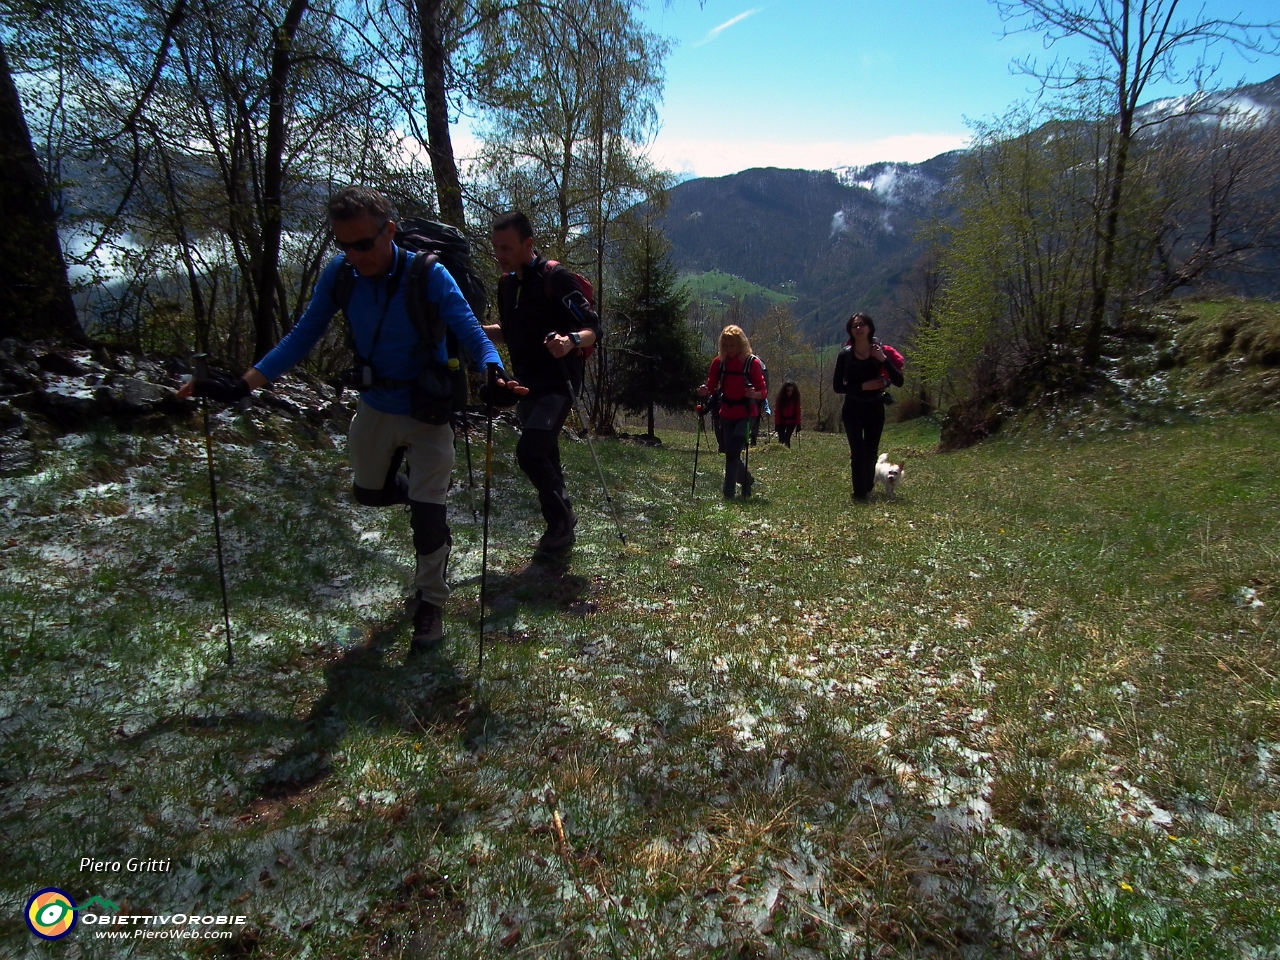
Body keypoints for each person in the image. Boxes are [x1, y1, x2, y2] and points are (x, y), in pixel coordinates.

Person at [179, 186, 524, 651]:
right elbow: (301, 337)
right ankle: (428, 512)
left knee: (427, 513)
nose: (355, 255)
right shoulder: (341, 276)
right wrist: (243, 385)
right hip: (376, 406)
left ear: (390, 232)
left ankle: (430, 600)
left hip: (428, 410)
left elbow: (469, 331)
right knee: (369, 492)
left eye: (363, 243)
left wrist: (494, 373)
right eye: (344, 245)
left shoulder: (429, 275)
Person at [483, 211, 601, 554]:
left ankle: (561, 521)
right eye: (496, 248)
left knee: (531, 451)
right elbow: (511, 333)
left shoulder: (556, 278)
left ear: (528, 244)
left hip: (558, 383)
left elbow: (595, 329)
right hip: (526, 383)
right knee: (545, 453)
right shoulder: (507, 285)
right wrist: (476, 332)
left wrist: (570, 341)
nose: (499, 255)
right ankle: (561, 526)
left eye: (506, 248)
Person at [832, 312, 903, 501]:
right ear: (850, 330)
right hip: (853, 409)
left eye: (862, 325)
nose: (858, 328)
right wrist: (863, 386)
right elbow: (837, 386)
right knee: (857, 452)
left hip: (874, 408)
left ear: (870, 328)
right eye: (854, 326)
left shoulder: (879, 352)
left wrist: (882, 359)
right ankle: (859, 493)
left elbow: (899, 380)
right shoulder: (845, 355)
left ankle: (868, 485)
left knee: (871, 452)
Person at [697, 325, 766, 499]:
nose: (729, 350)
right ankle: (747, 480)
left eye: (732, 346)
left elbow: (762, 391)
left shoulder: (752, 363)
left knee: (733, 451)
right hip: (726, 413)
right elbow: (711, 386)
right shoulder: (718, 363)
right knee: (730, 453)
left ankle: (728, 494)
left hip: (746, 413)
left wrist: (754, 394)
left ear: (740, 344)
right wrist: (704, 391)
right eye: (725, 346)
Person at [774, 381, 802, 447]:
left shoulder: (795, 400)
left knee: (787, 438)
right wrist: (777, 424)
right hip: (782, 421)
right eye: (788, 390)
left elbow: (798, 412)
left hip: (792, 421)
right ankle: (780, 451)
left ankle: (787, 451)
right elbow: (777, 412)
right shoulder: (780, 399)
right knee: (781, 439)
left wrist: (798, 424)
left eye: (792, 390)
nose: (790, 392)